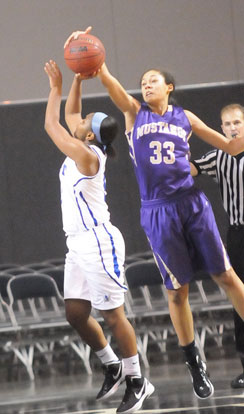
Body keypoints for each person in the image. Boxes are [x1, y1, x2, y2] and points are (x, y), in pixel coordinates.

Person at [64, 29, 244, 401]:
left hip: (193, 203)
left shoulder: (185, 117)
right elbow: (113, 87)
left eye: (152, 82)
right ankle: (194, 361)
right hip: (159, 212)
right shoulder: (134, 114)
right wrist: (99, 67)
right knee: (178, 291)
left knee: (227, 275)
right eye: (143, 82)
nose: (146, 86)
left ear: (169, 87)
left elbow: (228, 144)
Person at [44, 58, 154, 414]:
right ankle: (112, 363)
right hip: (76, 243)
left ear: (89, 135)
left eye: (85, 122)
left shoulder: (88, 156)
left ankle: (138, 381)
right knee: (76, 313)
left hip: (98, 241)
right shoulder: (87, 141)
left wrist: (55, 87)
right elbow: (72, 114)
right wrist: (77, 81)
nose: (79, 120)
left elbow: (52, 124)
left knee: (113, 315)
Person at [191, 103, 244, 389]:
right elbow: (191, 169)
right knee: (240, 299)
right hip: (238, 234)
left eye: (237, 122)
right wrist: (175, 148)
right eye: (227, 124)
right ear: (221, 128)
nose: (233, 128)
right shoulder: (219, 156)